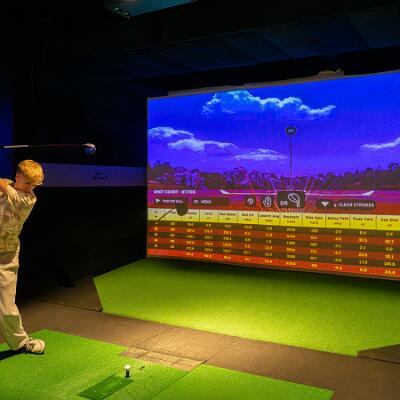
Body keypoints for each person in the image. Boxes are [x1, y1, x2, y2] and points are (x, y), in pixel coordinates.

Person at [0, 159, 45, 354]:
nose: (30, 188)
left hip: (6, 256)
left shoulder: (28, 200)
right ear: (17, 176)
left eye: (34, 185)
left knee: (5, 308)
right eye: (28, 183)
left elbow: (6, 189)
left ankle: (20, 343)